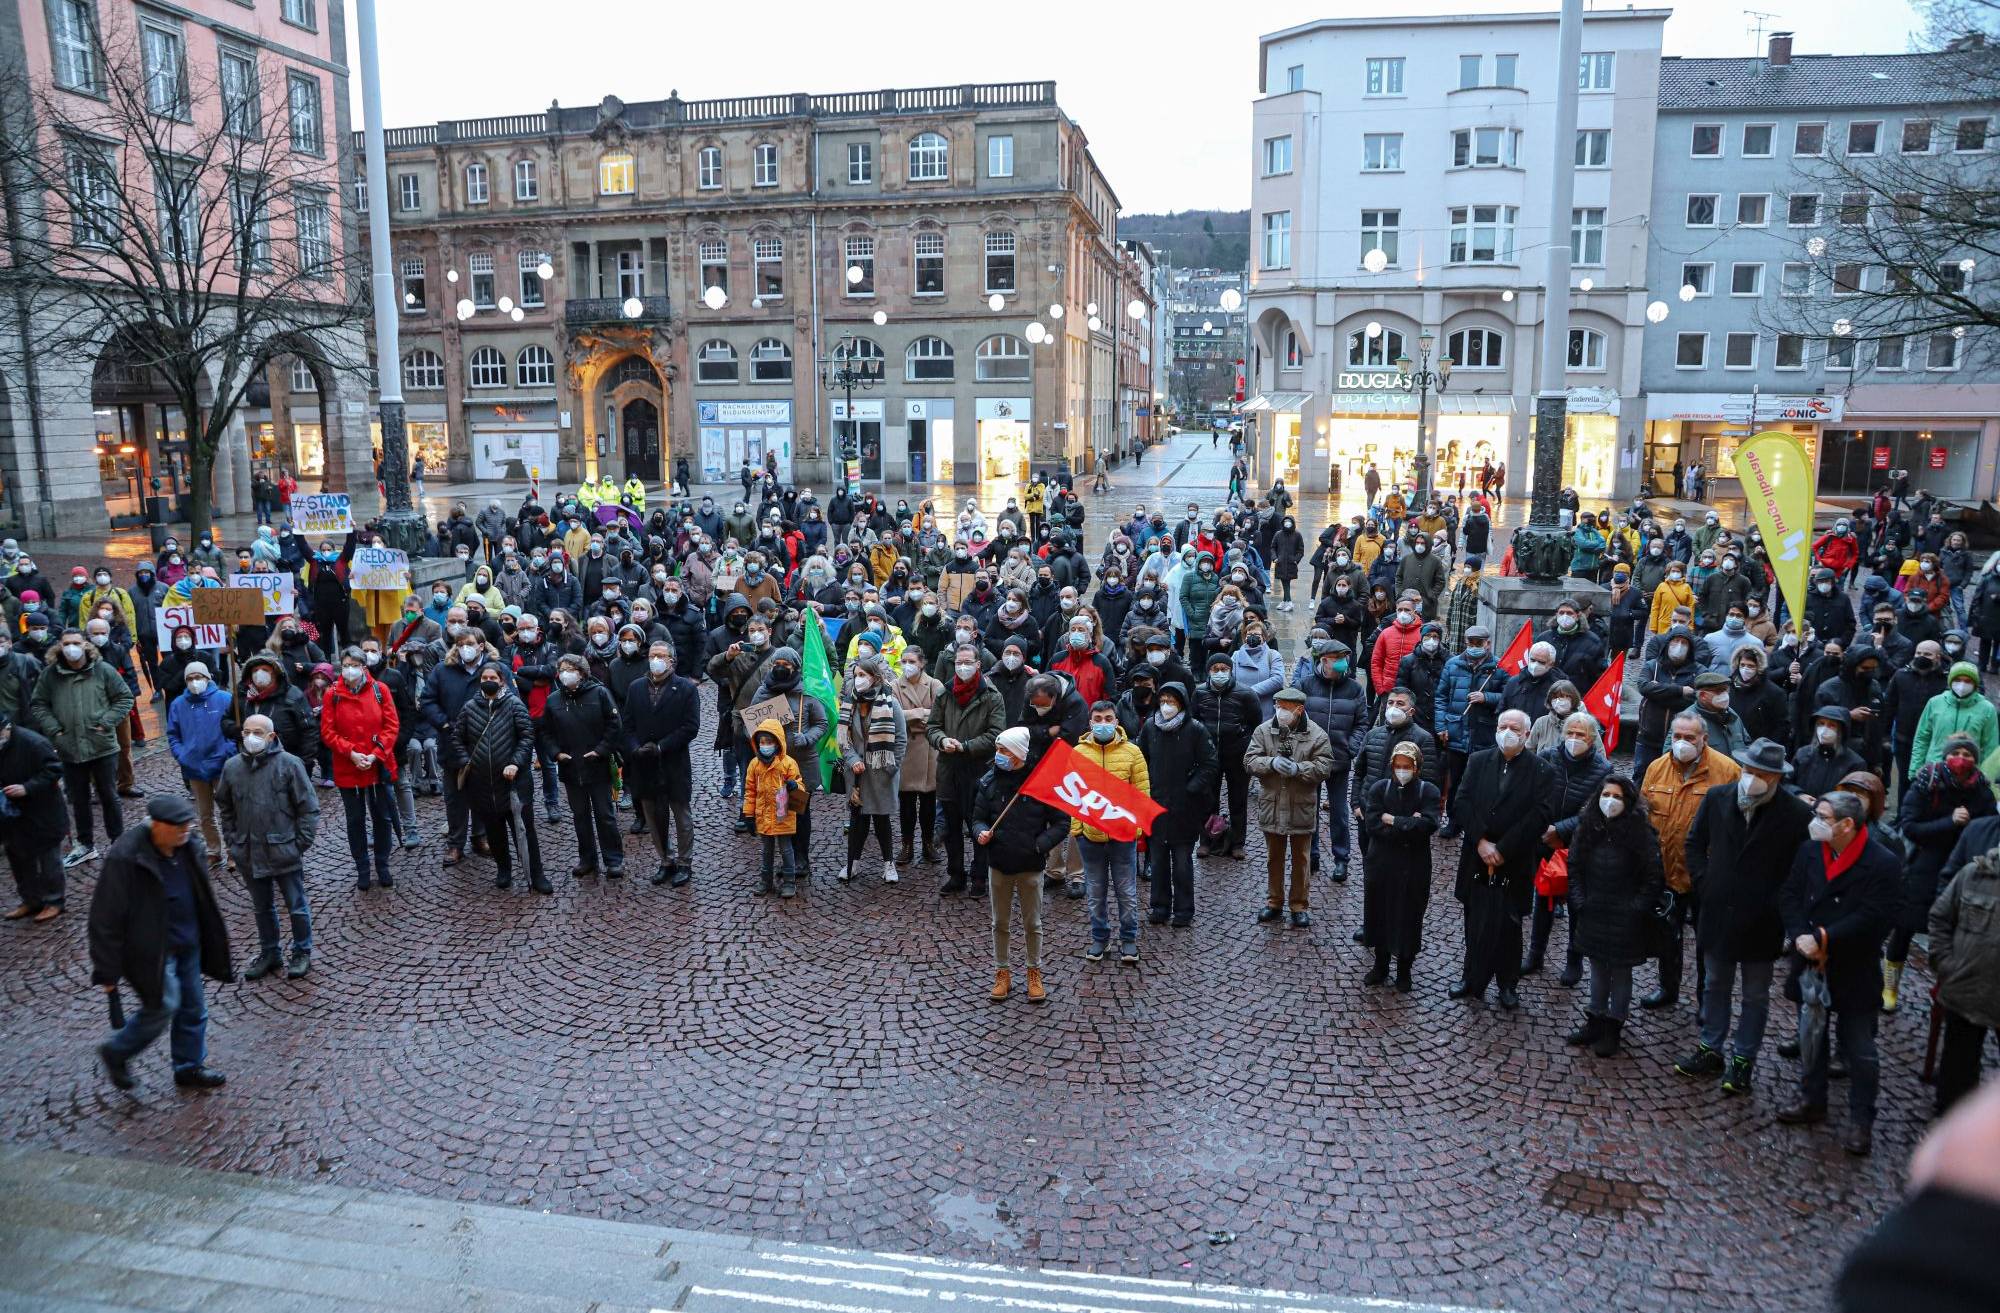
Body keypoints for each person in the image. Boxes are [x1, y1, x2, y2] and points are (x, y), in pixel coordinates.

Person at [1776, 790, 1899, 1156]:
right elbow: (1790, 894)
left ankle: (1862, 1120)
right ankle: (1812, 1098)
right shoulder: (1810, 850)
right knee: (1811, 1036)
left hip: (1854, 965)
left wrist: (1824, 937)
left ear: (1847, 824)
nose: (1815, 821)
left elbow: (1876, 917)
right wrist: (1799, 933)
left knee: (1860, 1048)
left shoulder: (1883, 862)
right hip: (1811, 960)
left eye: (1823, 816)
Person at [89, 795, 232, 1092]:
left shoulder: (189, 845)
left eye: (187, 826)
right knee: (163, 1004)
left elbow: (202, 892)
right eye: (178, 827)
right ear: (157, 826)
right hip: (150, 950)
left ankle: (189, 1066)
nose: (185, 832)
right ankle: (117, 1051)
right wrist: (106, 970)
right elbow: (105, 916)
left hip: (188, 940)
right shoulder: (126, 856)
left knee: (193, 1006)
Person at [1449, 708, 1553, 1007]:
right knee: (1475, 920)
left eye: (1514, 728)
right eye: (1503, 726)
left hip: (1514, 861)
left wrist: (1503, 848)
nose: (1507, 732)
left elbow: (1540, 815)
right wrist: (1481, 841)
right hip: (1477, 857)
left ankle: (1507, 983)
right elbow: (1462, 802)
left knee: (1510, 924)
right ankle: (1471, 977)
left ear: (1527, 734)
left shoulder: (1541, 770)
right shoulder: (1478, 760)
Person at [1885, 735, 1995, 1013]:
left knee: (1952, 931)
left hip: (1960, 869)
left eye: (1968, 754)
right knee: (1905, 925)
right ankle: (1890, 985)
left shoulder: (1981, 790)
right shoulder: (1928, 782)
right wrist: (1949, 822)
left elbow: (1986, 829)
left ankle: (1944, 987)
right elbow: (1910, 826)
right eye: (1956, 752)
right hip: (1922, 864)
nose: (1961, 758)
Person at [1563, 774, 1665, 1057]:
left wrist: (1636, 909)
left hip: (1625, 916)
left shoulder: (1641, 833)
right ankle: (1594, 1018)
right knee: (1597, 968)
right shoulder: (1588, 826)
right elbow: (1574, 865)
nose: (1610, 801)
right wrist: (1580, 901)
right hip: (1594, 910)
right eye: (1606, 795)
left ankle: (1614, 1024)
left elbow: (1653, 877)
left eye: (1617, 797)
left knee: (1620, 972)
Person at [215, 713, 319, 981]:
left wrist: (299, 844)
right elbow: (224, 806)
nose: (251, 737)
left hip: (284, 849)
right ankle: (270, 952)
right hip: (249, 850)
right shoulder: (232, 767)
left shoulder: (289, 765)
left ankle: (301, 951)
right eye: (247, 731)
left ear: (271, 736)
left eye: (258, 732)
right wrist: (233, 841)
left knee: (295, 905)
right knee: (261, 907)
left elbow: (307, 807)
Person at [974, 726, 1066, 1004]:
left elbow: (1062, 823)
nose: (998, 755)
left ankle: (1033, 972)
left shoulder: (1040, 785)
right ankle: (1002, 972)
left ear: (1017, 754)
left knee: (1032, 923)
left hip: (1031, 866)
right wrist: (980, 831)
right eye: (998, 749)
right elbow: (977, 817)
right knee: (999, 922)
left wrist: (1039, 845)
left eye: (1004, 750)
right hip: (999, 864)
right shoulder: (988, 782)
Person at [30, 627, 133, 869]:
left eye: (75, 642)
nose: (71, 647)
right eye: (66, 643)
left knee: (109, 796)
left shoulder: (103, 670)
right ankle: (85, 844)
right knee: (79, 799)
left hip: (102, 747)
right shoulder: (51, 675)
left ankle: (118, 841)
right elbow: (39, 704)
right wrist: (55, 730)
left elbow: (124, 698)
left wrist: (106, 722)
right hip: (69, 748)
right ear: (60, 646)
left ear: (85, 645)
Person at [1246, 686, 1334, 929]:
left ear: (1299, 710)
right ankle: (1274, 901)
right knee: (1274, 857)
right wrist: (1271, 763)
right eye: (1278, 706)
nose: (1280, 711)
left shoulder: (1317, 735)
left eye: (1285, 708)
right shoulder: (1264, 731)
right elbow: (1250, 761)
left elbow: (1325, 766)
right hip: (1272, 804)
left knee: (1301, 859)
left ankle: (1299, 905)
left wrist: (1299, 769)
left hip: (1300, 806)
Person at [457, 660, 547, 894]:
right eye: (484, 679)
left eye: (493, 678)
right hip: (483, 783)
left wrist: (515, 763)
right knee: (494, 832)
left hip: (513, 783)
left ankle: (536, 875)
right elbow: (458, 738)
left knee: (524, 832)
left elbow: (527, 737)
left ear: (502, 681)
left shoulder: (514, 705)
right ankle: (503, 870)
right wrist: (466, 761)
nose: (488, 682)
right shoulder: (469, 708)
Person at [1360, 738, 1440, 991]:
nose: (1402, 770)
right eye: (1398, 765)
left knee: (1409, 916)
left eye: (1407, 766)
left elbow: (1428, 825)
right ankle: (1380, 965)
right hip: (1381, 864)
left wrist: (1392, 820)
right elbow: (1373, 825)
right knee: (1379, 913)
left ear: (1416, 767)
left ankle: (1404, 970)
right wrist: (1408, 824)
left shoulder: (1428, 791)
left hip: (1413, 867)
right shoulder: (1379, 789)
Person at [1136, 680, 1218, 928]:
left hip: (1185, 809)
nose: (1166, 706)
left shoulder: (1196, 730)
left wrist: (1190, 788)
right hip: (1156, 805)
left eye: (1171, 701)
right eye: (1162, 701)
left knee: (1182, 863)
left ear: (1181, 703)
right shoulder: (1150, 728)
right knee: (1158, 862)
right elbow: (1141, 760)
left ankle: (1184, 909)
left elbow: (1209, 764)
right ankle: (1159, 907)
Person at [1927, 842, 2000, 1117]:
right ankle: (1951, 1131)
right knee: (1958, 1070)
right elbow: (1940, 917)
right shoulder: (1973, 875)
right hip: (1966, 989)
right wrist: (1947, 965)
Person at [1073, 700, 1148, 964]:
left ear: (1117, 722)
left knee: (1126, 892)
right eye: (1098, 718)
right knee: (1095, 892)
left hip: (1122, 837)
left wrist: (1136, 828)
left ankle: (1129, 940)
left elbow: (1141, 793)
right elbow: (1074, 795)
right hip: (1090, 837)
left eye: (1108, 718)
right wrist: (1077, 830)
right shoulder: (1078, 753)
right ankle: (1099, 938)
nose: (1102, 723)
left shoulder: (1132, 753)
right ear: (1090, 722)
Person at [619, 641, 699, 886]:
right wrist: (634, 748)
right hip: (644, 763)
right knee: (652, 817)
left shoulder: (685, 688)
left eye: (661, 655)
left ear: (671, 660)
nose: (656, 659)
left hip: (673, 762)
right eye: (653, 655)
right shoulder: (636, 688)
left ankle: (685, 862)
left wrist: (662, 746)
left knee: (681, 816)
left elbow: (690, 727)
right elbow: (628, 723)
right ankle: (665, 860)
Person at [931, 643, 1006, 897]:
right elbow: (933, 726)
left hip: (978, 771)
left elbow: (996, 734)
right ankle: (955, 874)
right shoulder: (945, 694)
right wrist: (942, 740)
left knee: (978, 825)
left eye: (967, 663)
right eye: (958, 663)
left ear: (978, 665)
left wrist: (964, 746)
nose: (962, 667)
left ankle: (979, 876)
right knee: (951, 827)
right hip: (948, 770)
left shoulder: (992, 696)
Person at [321, 647, 399, 891]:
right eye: (346, 664)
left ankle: (382, 864)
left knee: (382, 818)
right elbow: (328, 732)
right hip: (348, 767)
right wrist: (351, 753)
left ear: (364, 667)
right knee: (355, 820)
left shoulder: (380, 690)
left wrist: (376, 755)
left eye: (355, 664)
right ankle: (362, 868)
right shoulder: (332, 694)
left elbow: (391, 725)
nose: (350, 669)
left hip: (377, 766)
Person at [546, 652, 623, 880]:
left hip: (596, 765)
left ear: (581, 673)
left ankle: (613, 860)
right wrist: (556, 753)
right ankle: (587, 859)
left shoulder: (599, 693)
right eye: (561, 670)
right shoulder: (553, 700)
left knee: (605, 815)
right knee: (580, 816)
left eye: (570, 669)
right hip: (570, 768)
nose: (565, 674)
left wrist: (600, 750)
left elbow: (614, 725)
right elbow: (546, 732)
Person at [840, 655, 908, 884]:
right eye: (856, 675)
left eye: (863, 675)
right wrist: (851, 760)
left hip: (882, 772)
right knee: (857, 819)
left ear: (875, 678)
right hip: (857, 772)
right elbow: (843, 738)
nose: (858, 680)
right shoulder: (849, 703)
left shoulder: (891, 703)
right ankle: (853, 862)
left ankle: (889, 864)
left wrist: (892, 767)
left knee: (881, 820)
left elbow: (900, 739)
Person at [164, 661, 233, 864]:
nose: (195, 682)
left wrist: (227, 753)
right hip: (195, 767)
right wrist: (182, 756)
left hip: (221, 764)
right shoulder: (178, 704)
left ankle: (231, 850)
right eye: (190, 678)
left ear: (207, 678)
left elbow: (233, 730)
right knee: (204, 814)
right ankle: (213, 850)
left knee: (228, 811)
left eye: (198, 677)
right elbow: (173, 734)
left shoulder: (224, 699)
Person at [0, 710, 66, 922]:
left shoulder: (33, 743)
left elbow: (54, 769)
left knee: (49, 861)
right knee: (19, 859)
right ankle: (31, 900)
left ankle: (54, 901)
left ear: (6, 729)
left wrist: (27, 788)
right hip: (13, 816)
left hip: (42, 812)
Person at [744, 717, 805, 898]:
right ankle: (765, 881)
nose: (765, 745)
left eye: (769, 742)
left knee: (786, 849)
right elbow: (750, 790)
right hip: (763, 815)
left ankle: (789, 881)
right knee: (766, 850)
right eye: (762, 742)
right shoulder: (754, 765)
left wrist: (795, 786)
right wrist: (748, 814)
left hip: (783, 814)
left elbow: (800, 784)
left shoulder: (788, 763)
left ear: (777, 743)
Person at [893, 649, 942, 866]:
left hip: (930, 750)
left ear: (921, 663)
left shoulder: (934, 684)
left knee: (929, 803)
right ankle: (906, 844)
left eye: (911, 661)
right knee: (906, 803)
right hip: (907, 749)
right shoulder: (894, 685)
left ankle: (928, 843)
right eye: (903, 661)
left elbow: (940, 713)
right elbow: (894, 713)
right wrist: (920, 713)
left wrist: (914, 715)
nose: (907, 665)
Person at [1910, 659, 1999, 770]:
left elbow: (1990, 747)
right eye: (1957, 680)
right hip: (1935, 771)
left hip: (1969, 775)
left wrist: (1985, 779)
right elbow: (1922, 738)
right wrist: (1915, 770)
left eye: (1968, 681)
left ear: (1975, 684)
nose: (1962, 685)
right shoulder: (1935, 703)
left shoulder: (1987, 709)